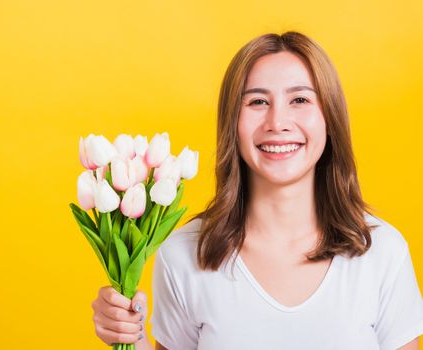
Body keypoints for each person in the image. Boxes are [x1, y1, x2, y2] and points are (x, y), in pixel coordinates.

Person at [90, 31, 423, 349]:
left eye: (300, 99)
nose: (277, 122)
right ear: (232, 122)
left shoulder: (383, 254)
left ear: (329, 118)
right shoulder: (183, 255)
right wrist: (131, 337)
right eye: (258, 101)